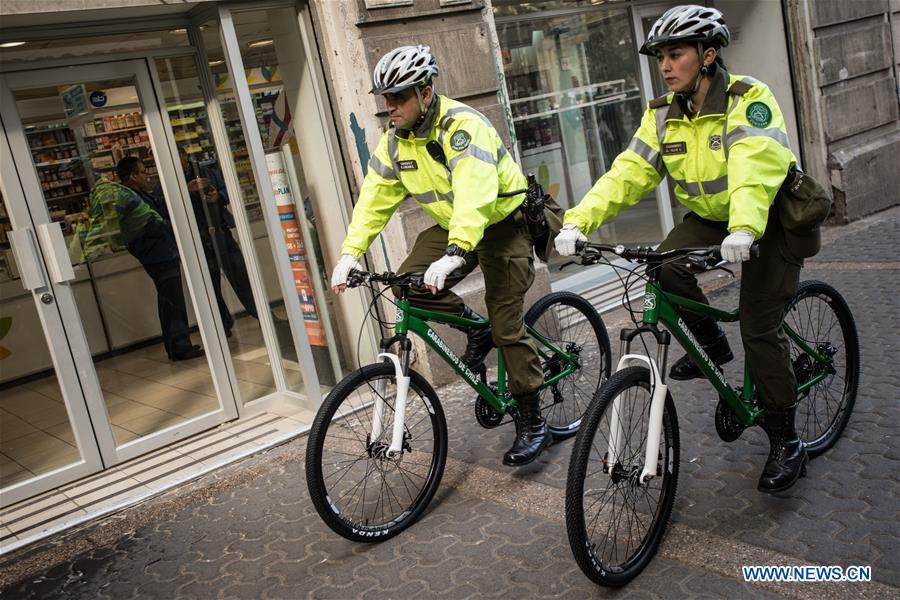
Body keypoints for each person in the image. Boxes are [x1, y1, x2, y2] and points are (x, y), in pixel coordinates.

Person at [554, 5, 807, 493]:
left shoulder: (747, 99)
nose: (666, 66)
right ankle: (711, 344)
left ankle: (785, 437)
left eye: (676, 54)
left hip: (767, 221)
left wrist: (745, 230)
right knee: (663, 268)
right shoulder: (663, 114)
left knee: (759, 327)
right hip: (712, 220)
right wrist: (579, 220)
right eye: (661, 57)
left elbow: (755, 168)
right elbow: (628, 172)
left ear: (708, 55)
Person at [331, 45, 549, 466]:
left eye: (399, 98)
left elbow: (475, 194)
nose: (390, 107)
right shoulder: (395, 142)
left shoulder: (463, 127)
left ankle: (531, 418)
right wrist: (350, 253)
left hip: (502, 222)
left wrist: (455, 252)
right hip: (455, 227)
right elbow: (374, 200)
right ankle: (474, 330)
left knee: (506, 325)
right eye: (386, 99)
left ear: (426, 93)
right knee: (404, 284)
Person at [84, 157, 203, 361]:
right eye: (141, 171)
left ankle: (175, 345)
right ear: (132, 176)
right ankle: (181, 346)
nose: (145, 175)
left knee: (168, 301)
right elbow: (143, 226)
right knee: (173, 301)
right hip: (159, 255)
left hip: (158, 253)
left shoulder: (135, 195)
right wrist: (164, 225)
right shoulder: (128, 198)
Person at [152, 147, 259, 338]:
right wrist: (185, 190)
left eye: (176, 157)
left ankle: (262, 315)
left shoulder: (206, 172)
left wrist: (218, 195)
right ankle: (223, 325)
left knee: (242, 277)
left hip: (219, 232)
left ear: (184, 156)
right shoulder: (164, 183)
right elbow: (161, 209)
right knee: (210, 287)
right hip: (196, 241)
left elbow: (227, 190)